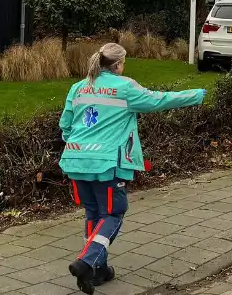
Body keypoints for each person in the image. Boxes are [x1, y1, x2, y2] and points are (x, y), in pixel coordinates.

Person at [59, 43, 207, 294]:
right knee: (113, 213)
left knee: (93, 214)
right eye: (124, 62)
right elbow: (159, 100)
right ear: (117, 65)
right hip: (108, 164)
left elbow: (66, 125)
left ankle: (97, 270)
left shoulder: (78, 87)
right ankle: (86, 261)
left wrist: (82, 147)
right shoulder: (125, 87)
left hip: (76, 160)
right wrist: (196, 95)